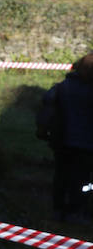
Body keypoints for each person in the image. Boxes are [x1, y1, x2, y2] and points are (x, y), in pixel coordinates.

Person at [37, 53, 93, 224]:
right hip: (87, 145)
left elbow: (47, 110)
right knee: (83, 180)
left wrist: (42, 130)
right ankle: (76, 211)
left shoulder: (61, 87)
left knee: (61, 175)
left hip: (62, 141)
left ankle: (58, 210)